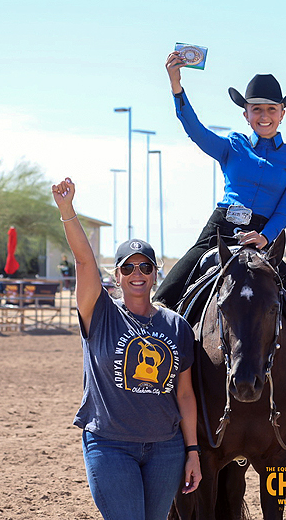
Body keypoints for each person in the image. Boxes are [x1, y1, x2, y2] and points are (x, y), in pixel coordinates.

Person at [153, 53, 286, 439]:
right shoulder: (232, 145)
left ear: (282, 114)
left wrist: (266, 236)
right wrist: (177, 85)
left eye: (271, 109)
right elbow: (195, 130)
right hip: (221, 229)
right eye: (256, 109)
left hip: (265, 237)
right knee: (164, 299)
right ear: (245, 114)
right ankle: (159, 394)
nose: (264, 115)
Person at [51, 177, 201, 520]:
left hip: (166, 449)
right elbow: (84, 262)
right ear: (116, 275)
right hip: (110, 444)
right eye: (128, 267)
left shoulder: (176, 325)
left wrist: (192, 450)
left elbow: (184, 394)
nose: (137, 273)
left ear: (155, 274)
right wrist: (67, 211)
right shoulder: (99, 312)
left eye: (145, 266)